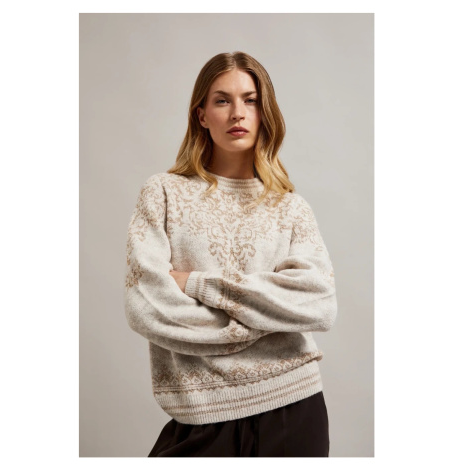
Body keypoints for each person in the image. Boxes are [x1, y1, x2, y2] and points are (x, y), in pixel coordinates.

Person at [124, 51, 338, 457]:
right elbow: (146, 306)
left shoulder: (290, 207)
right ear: (202, 115)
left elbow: (319, 304)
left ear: (264, 112)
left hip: (294, 406)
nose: (237, 112)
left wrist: (199, 284)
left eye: (250, 100)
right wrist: (261, 319)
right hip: (200, 415)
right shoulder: (163, 194)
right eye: (222, 100)